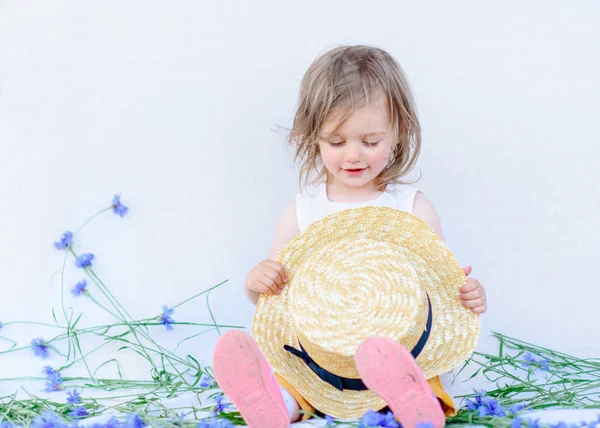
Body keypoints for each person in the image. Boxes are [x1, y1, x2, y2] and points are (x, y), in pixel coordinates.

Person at [213, 45, 487, 428]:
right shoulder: (302, 212)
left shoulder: (412, 208)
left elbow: (439, 291)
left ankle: (413, 404)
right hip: (322, 356)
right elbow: (273, 297)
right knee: (293, 380)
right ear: (314, 138)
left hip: (400, 348)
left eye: (370, 141)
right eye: (336, 142)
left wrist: (469, 295)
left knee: (423, 375)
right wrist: (256, 281)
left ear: (398, 133)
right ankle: (274, 406)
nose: (353, 156)